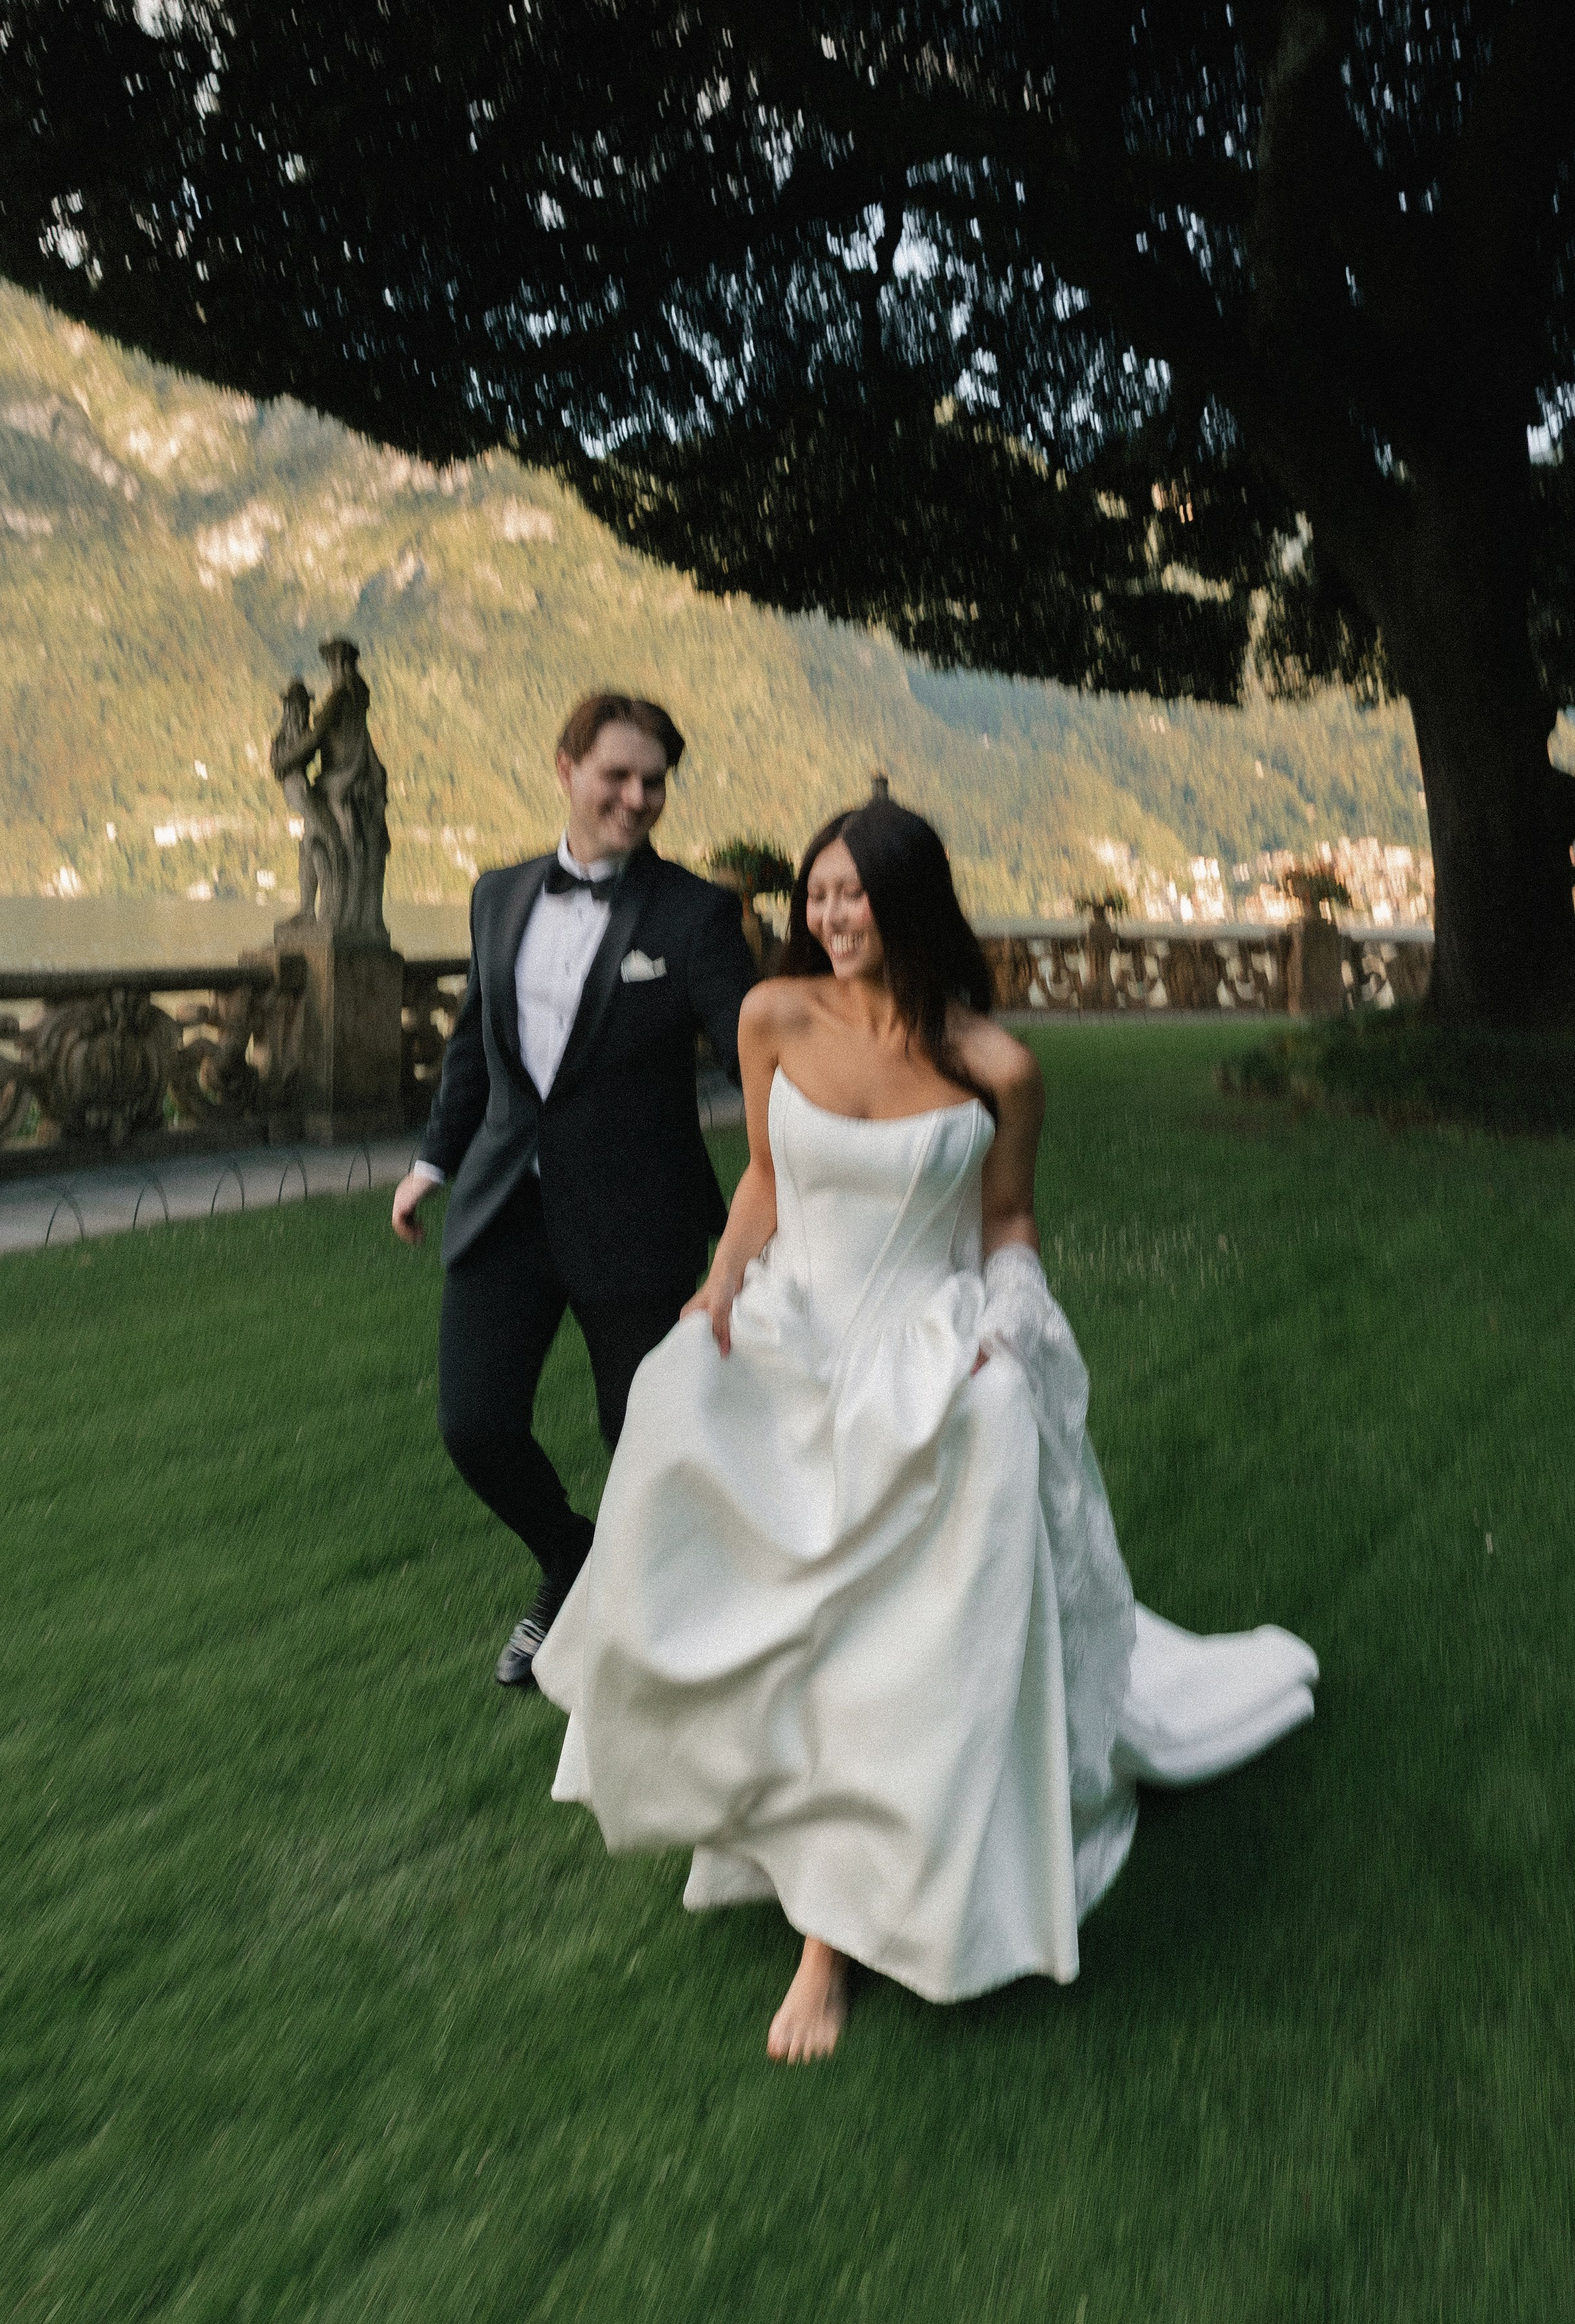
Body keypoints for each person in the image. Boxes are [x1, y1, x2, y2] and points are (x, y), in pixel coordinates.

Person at [534, 798, 1319, 2059]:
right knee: (681, 1424)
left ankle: (829, 1944)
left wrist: (1008, 1326)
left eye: (856, 895)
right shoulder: (772, 1016)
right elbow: (767, 1183)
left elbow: (1007, 1222)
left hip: (923, 1345)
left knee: (914, 1578)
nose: (833, 918)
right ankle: (756, 1808)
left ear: (912, 904)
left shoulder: (996, 1068)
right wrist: (718, 1288)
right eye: (820, 895)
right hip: (797, 1328)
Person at [391, 693, 757, 1688]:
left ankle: (660, 1633)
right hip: (506, 1206)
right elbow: (478, 1042)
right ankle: (567, 1555)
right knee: (476, 1426)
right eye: (618, 775)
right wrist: (434, 1162)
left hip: (640, 1219)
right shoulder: (499, 894)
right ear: (566, 768)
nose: (637, 798)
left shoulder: (694, 914)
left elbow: (749, 1049)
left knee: (642, 1435)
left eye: (655, 782)